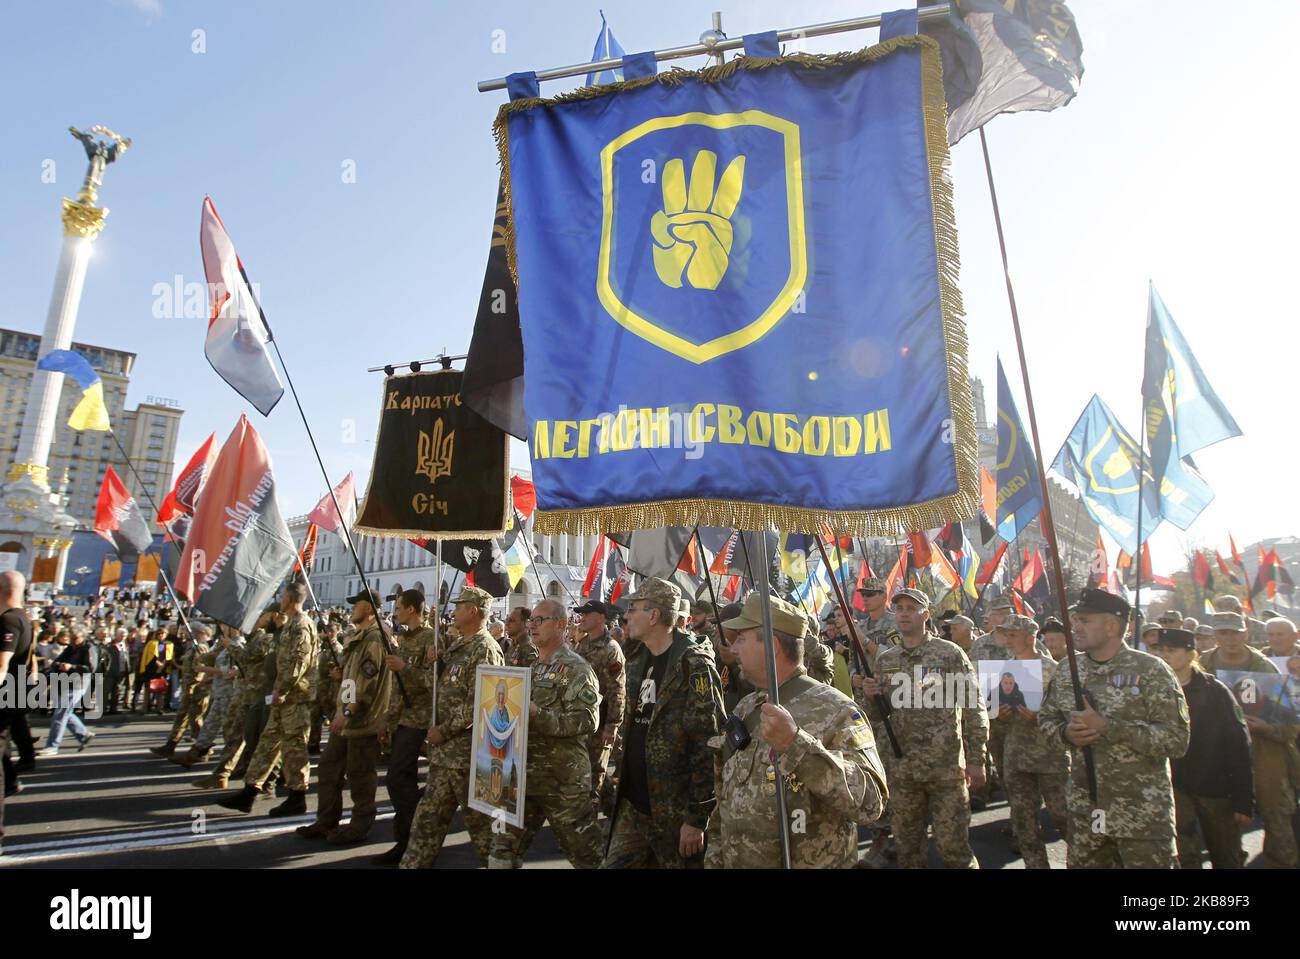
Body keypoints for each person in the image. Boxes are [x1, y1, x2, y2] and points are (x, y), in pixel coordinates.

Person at [707, 593, 887, 868]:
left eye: (741, 639)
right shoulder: (746, 707)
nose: (734, 649)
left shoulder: (836, 710)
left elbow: (870, 802)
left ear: (772, 645)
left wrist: (796, 746)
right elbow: (725, 801)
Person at [1038, 589, 1190, 868]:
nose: (1075, 627)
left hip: (1141, 815)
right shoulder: (1067, 669)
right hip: (1087, 812)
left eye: (1084, 620)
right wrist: (1065, 734)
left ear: (1111, 626)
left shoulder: (1151, 670)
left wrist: (1109, 727)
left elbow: (1176, 740)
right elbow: (1046, 721)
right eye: (1074, 620)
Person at [603, 577, 725, 868]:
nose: (626, 616)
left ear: (654, 615)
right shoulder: (636, 658)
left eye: (634, 609)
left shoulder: (693, 664)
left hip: (674, 809)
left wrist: (697, 817)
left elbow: (708, 741)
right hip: (634, 802)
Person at [866, 588, 987, 869]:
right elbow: (877, 716)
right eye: (900, 608)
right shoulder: (886, 661)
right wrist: (872, 697)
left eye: (912, 608)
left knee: (954, 849)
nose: (904, 613)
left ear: (925, 614)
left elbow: (973, 706)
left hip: (945, 771)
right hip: (902, 772)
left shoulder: (948, 654)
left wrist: (977, 759)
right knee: (909, 852)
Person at [488, 597, 605, 869]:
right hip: (523, 779)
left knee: (588, 857)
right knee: (501, 853)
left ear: (561, 625)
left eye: (541, 620)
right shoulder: (530, 669)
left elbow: (587, 720)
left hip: (562, 782)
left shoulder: (576, 668)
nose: (533, 626)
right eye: (532, 621)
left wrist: (537, 715)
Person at [401, 586, 504, 869]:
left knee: (484, 831)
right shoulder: (461, 644)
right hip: (446, 756)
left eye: (460, 606)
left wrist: (444, 730)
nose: (454, 610)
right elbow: (447, 688)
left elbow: (483, 703)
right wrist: (439, 661)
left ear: (473, 611)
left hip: (467, 758)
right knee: (426, 822)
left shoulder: (485, 649)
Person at [1197, 611, 1298, 868]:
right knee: (1223, 834)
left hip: (1266, 759)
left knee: (1279, 830)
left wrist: (1266, 728)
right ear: (1215, 635)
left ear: (1246, 633)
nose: (1230, 638)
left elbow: (1290, 726)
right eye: (1223, 632)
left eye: (1235, 632)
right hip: (1218, 760)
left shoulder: (1266, 668)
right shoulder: (1201, 666)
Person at [1148, 628, 1253, 869]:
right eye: (1159, 650)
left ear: (1190, 654)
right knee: (1184, 857)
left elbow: (1238, 745)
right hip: (1174, 787)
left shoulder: (1214, 691)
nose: (1164, 655)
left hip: (1215, 787)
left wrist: (1243, 800)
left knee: (1226, 855)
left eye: (1171, 650)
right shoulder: (1150, 690)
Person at [299, 588, 393, 842]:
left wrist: (348, 711)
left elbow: (366, 683)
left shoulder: (374, 639)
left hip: (362, 720)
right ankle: (326, 820)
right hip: (348, 716)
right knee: (330, 768)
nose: (352, 608)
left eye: (357, 604)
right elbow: (354, 677)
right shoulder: (360, 636)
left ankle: (359, 826)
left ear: (369, 608)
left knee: (360, 774)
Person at [217, 583, 319, 816]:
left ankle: (297, 797)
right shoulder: (291, 625)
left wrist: (282, 690)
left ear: (289, 600)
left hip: (294, 698)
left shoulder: (301, 625)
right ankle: (250, 792)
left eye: (283, 596)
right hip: (283, 697)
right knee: (267, 744)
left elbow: (298, 663)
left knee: (294, 748)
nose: (280, 599)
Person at [997, 614, 1068, 869]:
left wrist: (1043, 716)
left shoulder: (1054, 669)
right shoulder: (1004, 669)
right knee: (1024, 823)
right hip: (1016, 756)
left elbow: (1068, 711)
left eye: (1013, 635)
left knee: (1064, 817)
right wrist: (1000, 715)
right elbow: (993, 712)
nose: (1008, 640)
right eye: (1006, 635)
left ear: (1029, 637)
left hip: (1051, 756)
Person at [373, 589, 435, 864]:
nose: (395, 611)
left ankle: (412, 837)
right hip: (401, 717)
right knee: (400, 778)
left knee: (398, 777)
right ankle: (410, 837)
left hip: (418, 718)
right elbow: (397, 688)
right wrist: (388, 718)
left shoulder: (430, 638)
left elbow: (433, 681)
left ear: (411, 609)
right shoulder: (403, 638)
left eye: (399, 607)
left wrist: (404, 666)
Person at [573, 599, 626, 814]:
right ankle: (614, 810)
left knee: (593, 779)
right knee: (593, 773)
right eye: (581, 614)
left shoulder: (611, 648)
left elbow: (618, 690)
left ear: (602, 617)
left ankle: (589, 835)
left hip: (601, 722)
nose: (582, 618)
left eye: (587, 613)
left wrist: (612, 726)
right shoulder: (581, 645)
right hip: (582, 722)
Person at [172, 624, 240, 768]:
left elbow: (232, 671)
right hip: (220, 691)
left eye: (225, 626)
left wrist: (204, 669)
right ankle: (195, 753)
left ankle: (233, 764)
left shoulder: (238, 645)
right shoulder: (225, 645)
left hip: (229, 693)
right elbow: (213, 660)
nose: (222, 628)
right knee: (210, 724)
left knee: (230, 731)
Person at [0, 572, 34, 841]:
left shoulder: (10, 620)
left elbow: (1, 667)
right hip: (14, 693)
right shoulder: (25, 618)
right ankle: (11, 780)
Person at [151, 624, 214, 757]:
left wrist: (196, 685)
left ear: (198, 632)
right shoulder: (191, 646)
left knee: (194, 720)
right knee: (183, 718)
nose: (184, 632)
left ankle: (204, 749)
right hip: (188, 687)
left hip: (196, 689)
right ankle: (171, 745)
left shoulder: (200, 647)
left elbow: (203, 668)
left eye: (187, 630)